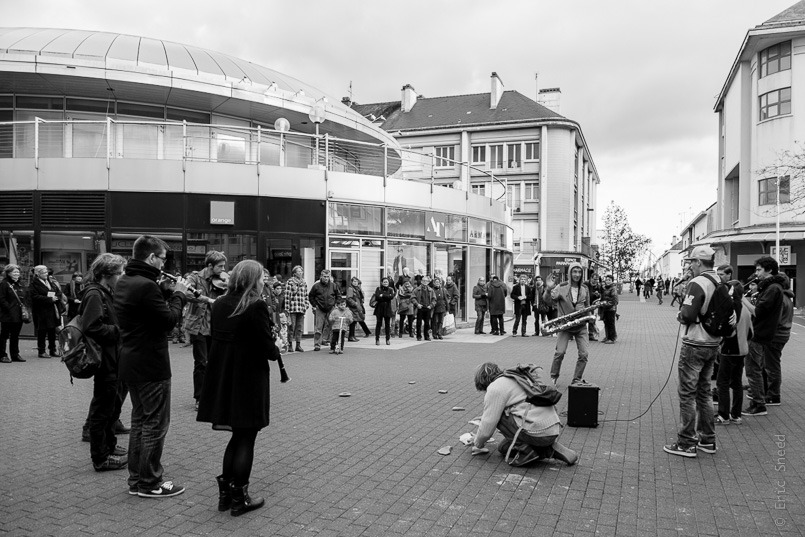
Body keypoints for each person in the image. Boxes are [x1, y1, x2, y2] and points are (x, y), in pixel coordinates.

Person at [197, 260, 280, 517]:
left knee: (237, 435)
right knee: (247, 435)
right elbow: (267, 349)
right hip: (248, 377)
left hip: (224, 375)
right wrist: (275, 342)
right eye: (261, 277)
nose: (264, 281)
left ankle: (225, 495)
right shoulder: (255, 306)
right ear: (252, 279)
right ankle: (239, 498)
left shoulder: (220, 302)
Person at [115, 235, 189, 498]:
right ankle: (150, 482)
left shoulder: (125, 280)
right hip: (151, 364)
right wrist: (179, 294)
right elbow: (168, 320)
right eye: (162, 259)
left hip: (131, 362)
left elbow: (145, 313)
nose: (163, 265)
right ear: (151, 258)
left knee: (140, 422)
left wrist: (166, 292)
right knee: (155, 424)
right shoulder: (146, 286)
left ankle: (137, 479)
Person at [663, 246, 724, 458]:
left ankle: (686, 442)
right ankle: (708, 440)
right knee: (704, 391)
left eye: (691, 262)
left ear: (699, 262)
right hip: (713, 343)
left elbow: (687, 314)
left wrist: (681, 314)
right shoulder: (719, 281)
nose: (689, 265)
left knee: (687, 393)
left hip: (695, 342)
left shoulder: (698, 283)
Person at [471, 362, 578, 466]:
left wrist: (478, 444)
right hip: (552, 429)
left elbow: (488, 427)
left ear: (482, 380)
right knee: (503, 448)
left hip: (536, 430)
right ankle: (546, 449)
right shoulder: (515, 377)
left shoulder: (495, 388)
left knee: (499, 417)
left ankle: (527, 451)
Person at [82, 253, 129, 472]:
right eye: (119, 273)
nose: (122, 276)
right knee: (103, 409)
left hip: (114, 357)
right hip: (106, 360)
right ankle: (100, 457)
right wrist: (120, 331)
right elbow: (92, 327)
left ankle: (110, 446)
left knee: (111, 407)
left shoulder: (106, 292)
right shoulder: (94, 294)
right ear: (105, 274)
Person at [744, 256, 790, 415]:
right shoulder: (772, 288)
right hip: (762, 333)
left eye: (758, 270)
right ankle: (761, 399)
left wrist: (742, 298)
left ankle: (759, 403)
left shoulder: (773, 289)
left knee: (755, 369)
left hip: (760, 334)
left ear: (769, 270)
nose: (756, 273)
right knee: (759, 367)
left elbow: (758, 311)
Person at [183, 250, 228, 411]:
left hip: (216, 326)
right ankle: (200, 398)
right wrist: (207, 299)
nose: (223, 270)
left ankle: (213, 395)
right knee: (201, 363)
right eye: (220, 266)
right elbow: (186, 292)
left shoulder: (223, 279)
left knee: (215, 362)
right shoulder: (194, 277)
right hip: (199, 326)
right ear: (210, 265)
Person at [545, 263, 591, 384]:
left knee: (584, 354)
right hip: (565, 326)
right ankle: (553, 376)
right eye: (574, 271)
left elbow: (588, 306)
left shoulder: (585, 289)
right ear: (569, 273)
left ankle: (577, 379)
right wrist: (549, 289)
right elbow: (548, 301)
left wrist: (590, 317)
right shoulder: (561, 287)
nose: (577, 274)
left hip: (581, 326)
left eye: (579, 272)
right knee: (559, 352)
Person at [715, 279, 752, 425]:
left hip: (730, 349)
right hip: (742, 349)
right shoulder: (746, 309)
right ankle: (736, 415)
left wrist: (720, 342)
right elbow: (751, 332)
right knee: (736, 382)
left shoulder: (732, 308)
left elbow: (728, 330)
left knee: (722, 382)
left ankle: (723, 415)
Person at [30, 264, 64, 358]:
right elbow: (34, 297)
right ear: (38, 274)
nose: (46, 274)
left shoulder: (50, 281)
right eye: (44, 272)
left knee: (52, 330)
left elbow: (58, 291)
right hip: (41, 311)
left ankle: (52, 349)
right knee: (42, 331)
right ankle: (41, 351)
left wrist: (57, 296)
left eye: (46, 272)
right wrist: (49, 299)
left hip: (52, 309)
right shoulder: (33, 284)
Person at [308, 269, 340, 352]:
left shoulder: (333, 285)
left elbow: (338, 296)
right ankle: (317, 345)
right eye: (324, 276)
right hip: (320, 308)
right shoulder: (316, 286)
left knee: (332, 326)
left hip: (331, 308)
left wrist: (336, 304)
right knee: (318, 328)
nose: (326, 278)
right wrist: (315, 305)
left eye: (328, 277)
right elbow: (311, 296)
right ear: (321, 276)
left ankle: (332, 344)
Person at [0, 264, 26, 363]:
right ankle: (2, 355)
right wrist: (8, 308)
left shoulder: (20, 284)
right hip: (8, 314)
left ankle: (15, 354)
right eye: (14, 272)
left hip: (19, 314)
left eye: (18, 272)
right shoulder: (4, 284)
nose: (17, 274)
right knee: (4, 335)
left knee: (15, 335)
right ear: (8, 273)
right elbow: (1, 299)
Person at [284, 265, 308, 353]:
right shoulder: (290, 282)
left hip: (301, 308)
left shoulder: (304, 282)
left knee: (300, 327)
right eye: (298, 271)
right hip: (292, 308)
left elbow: (306, 295)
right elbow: (287, 296)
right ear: (294, 273)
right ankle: (290, 344)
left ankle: (298, 344)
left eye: (301, 271)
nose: (300, 273)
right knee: (291, 327)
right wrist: (287, 309)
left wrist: (306, 305)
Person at [346, 277, 371, 342]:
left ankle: (352, 336)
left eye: (356, 281)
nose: (355, 282)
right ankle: (351, 336)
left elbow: (360, 298)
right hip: (353, 308)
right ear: (351, 282)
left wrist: (360, 303)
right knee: (353, 322)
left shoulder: (357, 289)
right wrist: (355, 304)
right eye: (354, 281)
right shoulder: (350, 289)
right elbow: (349, 298)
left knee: (355, 321)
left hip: (358, 308)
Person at [412, 275, 435, 341]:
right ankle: (419, 336)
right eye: (423, 281)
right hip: (420, 308)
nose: (425, 282)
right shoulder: (417, 289)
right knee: (419, 323)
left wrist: (431, 305)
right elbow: (412, 298)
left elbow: (434, 299)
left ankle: (426, 336)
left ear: (428, 282)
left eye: (426, 281)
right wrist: (417, 304)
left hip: (427, 308)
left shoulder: (431, 290)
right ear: (421, 281)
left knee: (427, 323)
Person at [600, 274, 618, 344]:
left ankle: (612, 338)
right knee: (606, 323)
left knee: (611, 324)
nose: (607, 281)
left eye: (609, 280)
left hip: (611, 309)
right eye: (606, 280)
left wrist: (606, 304)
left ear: (612, 281)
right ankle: (608, 336)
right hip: (606, 309)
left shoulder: (613, 288)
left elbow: (614, 300)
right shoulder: (605, 288)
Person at [583, 274, 602, 341]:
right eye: (594, 279)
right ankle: (581, 334)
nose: (595, 281)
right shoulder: (585, 284)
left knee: (592, 320)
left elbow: (600, 296)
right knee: (583, 320)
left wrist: (598, 295)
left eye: (597, 280)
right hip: (584, 305)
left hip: (592, 305)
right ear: (591, 278)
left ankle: (591, 335)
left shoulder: (598, 286)